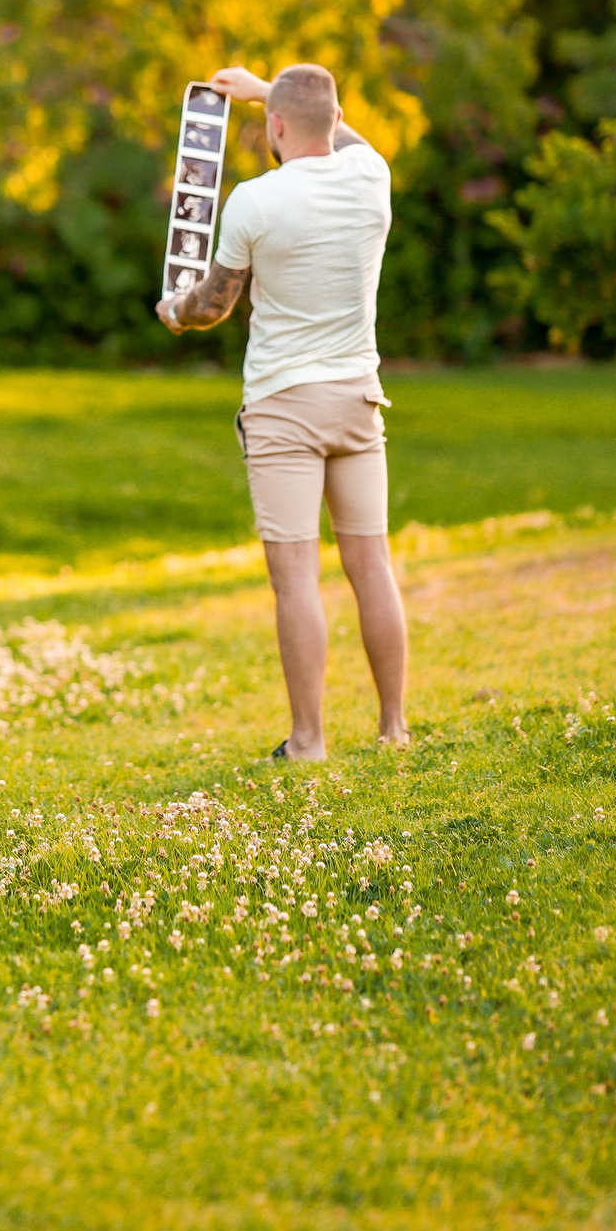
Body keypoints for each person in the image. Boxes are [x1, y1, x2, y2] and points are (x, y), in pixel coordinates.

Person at [155, 63, 409, 760]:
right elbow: (339, 132)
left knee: (295, 575)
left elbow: (213, 304)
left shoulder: (254, 200)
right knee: (372, 564)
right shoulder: (373, 179)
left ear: (274, 128)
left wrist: (174, 310)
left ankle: (309, 741)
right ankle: (393, 727)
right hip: (358, 400)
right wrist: (268, 86)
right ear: (336, 117)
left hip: (282, 408)